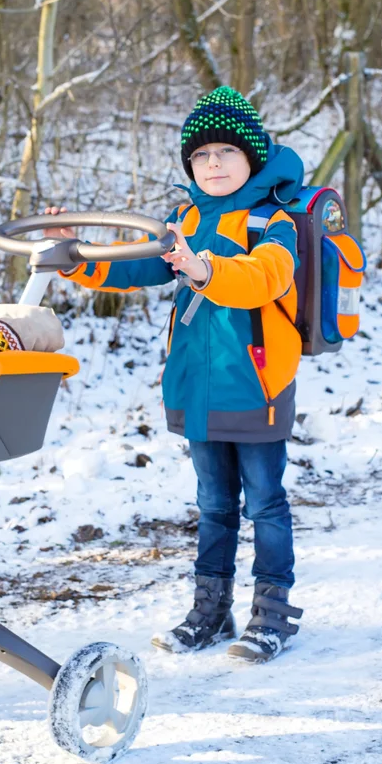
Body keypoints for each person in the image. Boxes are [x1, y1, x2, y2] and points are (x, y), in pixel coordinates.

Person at [43, 86, 306, 664]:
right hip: (196, 385)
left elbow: (266, 277)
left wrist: (204, 268)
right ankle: (211, 611)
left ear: (252, 157)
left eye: (227, 152)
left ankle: (273, 615)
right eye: (201, 155)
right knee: (213, 504)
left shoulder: (273, 220)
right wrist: (78, 255)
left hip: (256, 384)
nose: (213, 164)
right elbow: (137, 265)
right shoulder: (185, 218)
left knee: (265, 502)